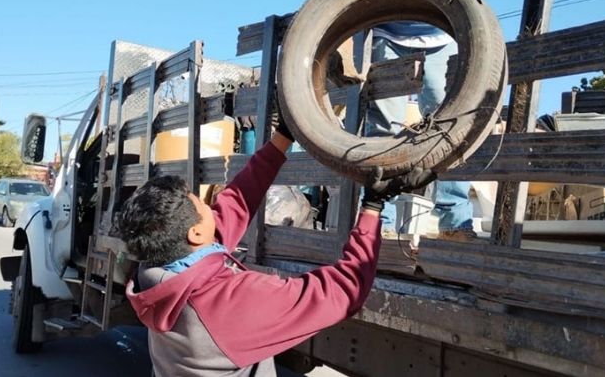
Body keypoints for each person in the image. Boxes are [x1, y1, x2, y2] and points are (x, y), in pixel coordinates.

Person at [117, 120, 402, 377]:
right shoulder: (228, 304)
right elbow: (344, 290)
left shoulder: (155, 274)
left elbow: (236, 203)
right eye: (203, 206)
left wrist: (284, 136)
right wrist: (373, 207)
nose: (211, 206)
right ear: (196, 232)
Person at [325, 0, 488, 242]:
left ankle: (455, 221)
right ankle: (377, 224)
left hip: (445, 23)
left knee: (449, 125)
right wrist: (336, 36)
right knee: (384, 129)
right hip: (386, 29)